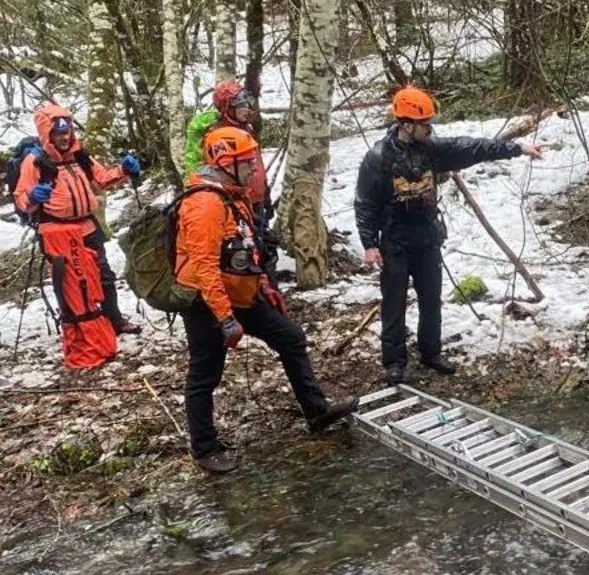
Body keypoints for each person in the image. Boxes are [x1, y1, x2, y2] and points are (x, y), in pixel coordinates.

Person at [176, 126, 359, 474]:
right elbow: (204, 268)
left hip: (241, 293)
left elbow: (246, 248)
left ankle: (316, 410)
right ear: (225, 162)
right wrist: (225, 319)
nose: (253, 169)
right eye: (247, 162)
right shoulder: (204, 203)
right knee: (205, 374)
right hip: (206, 301)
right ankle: (205, 448)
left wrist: (263, 284)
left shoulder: (234, 195)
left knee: (290, 338)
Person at [354, 85, 544, 384]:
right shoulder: (378, 158)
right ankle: (394, 362)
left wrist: (517, 149)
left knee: (432, 299)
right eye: (424, 124)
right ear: (406, 125)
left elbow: (473, 148)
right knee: (394, 303)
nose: (429, 129)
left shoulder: (432, 149)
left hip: (427, 238)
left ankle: (431, 353)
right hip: (395, 241)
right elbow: (365, 203)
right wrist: (369, 244)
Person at [14, 103, 142, 336]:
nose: (64, 137)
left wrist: (123, 170)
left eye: (67, 132)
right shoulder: (34, 161)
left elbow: (101, 179)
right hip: (56, 231)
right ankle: (77, 326)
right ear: (47, 133)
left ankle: (114, 320)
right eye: (58, 133)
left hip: (87, 226)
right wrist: (32, 196)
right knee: (69, 282)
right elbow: (21, 199)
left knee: (103, 274)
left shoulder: (80, 156)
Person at [184, 79, 279, 286]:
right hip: (237, 205)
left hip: (256, 200)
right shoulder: (220, 138)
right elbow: (222, 175)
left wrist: (265, 195)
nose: (247, 110)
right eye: (240, 106)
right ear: (228, 108)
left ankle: (267, 295)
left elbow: (256, 167)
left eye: (247, 104)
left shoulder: (246, 129)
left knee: (265, 251)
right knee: (248, 255)